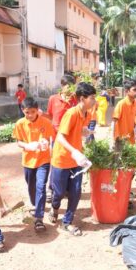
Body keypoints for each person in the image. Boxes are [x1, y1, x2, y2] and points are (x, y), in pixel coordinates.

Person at [48, 82, 96, 236]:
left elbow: (77, 130)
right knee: (60, 192)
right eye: (92, 98)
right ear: (82, 98)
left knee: (76, 191)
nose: (94, 101)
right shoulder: (71, 113)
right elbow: (60, 137)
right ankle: (55, 207)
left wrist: (85, 132)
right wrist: (74, 151)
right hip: (62, 159)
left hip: (76, 160)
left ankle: (67, 222)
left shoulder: (86, 114)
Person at [13, 98, 56, 232]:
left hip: (43, 160)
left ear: (37, 110)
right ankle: (35, 204)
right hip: (28, 161)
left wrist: (46, 144)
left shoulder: (46, 122)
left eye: (33, 112)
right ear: (22, 110)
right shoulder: (20, 124)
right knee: (31, 187)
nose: (30, 115)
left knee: (40, 186)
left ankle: (39, 218)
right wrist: (27, 145)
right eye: (27, 112)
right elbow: (19, 142)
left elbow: (51, 139)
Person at [112, 80, 136, 145]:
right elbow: (114, 122)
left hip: (131, 139)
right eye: (134, 90)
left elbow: (132, 118)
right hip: (121, 139)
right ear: (127, 91)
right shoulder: (121, 104)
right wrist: (113, 138)